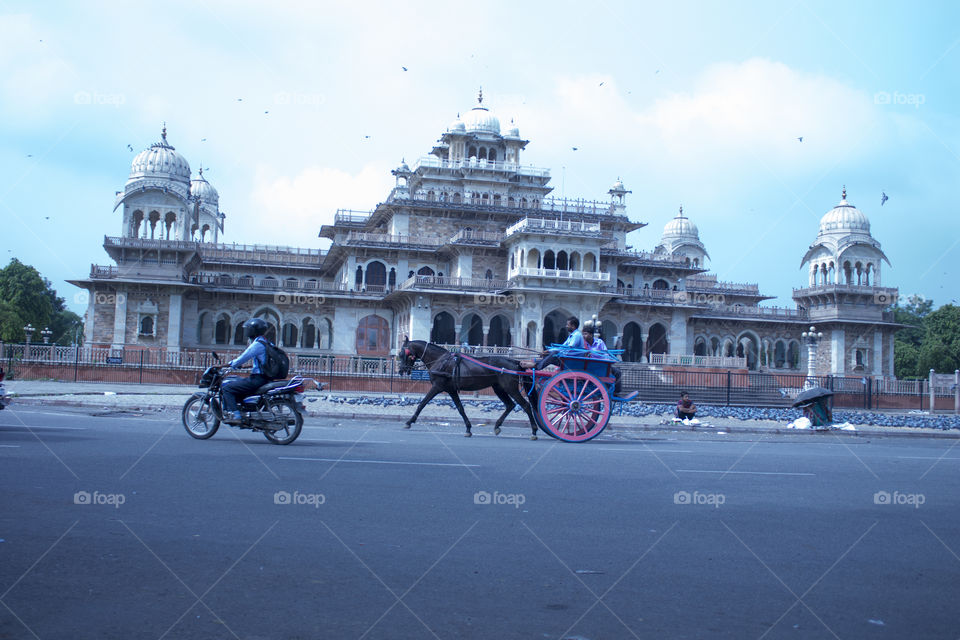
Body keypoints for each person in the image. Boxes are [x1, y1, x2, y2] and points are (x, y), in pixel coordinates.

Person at [221, 318, 272, 423]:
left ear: (252, 330)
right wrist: (247, 367)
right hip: (267, 378)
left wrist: (227, 365)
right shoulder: (268, 343)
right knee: (240, 384)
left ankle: (236, 415)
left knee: (227, 388)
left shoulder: (257, 344)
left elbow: (242, 358)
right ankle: (244, 409)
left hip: (258, 379)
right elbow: (262, 362)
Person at [581, 322, 623, 395]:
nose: (584, 336)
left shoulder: (599, 342)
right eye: (583, 334)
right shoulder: (582, 344)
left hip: (601, 364)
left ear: (591, 335)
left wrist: (607, 363)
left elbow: (605, 354)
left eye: (585, 334)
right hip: (590, 366)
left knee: (617, 372)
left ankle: (616, 392)